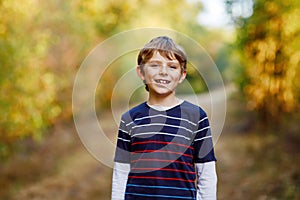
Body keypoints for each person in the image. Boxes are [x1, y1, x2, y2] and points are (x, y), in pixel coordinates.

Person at [111, 36, 217, 200]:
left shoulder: (196, 117)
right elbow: (121, 171)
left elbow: (206, 173)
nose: (163, 72)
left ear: (182, 75)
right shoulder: (129, 119)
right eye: (154, 65)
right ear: (141, 72)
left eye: (172, 66)